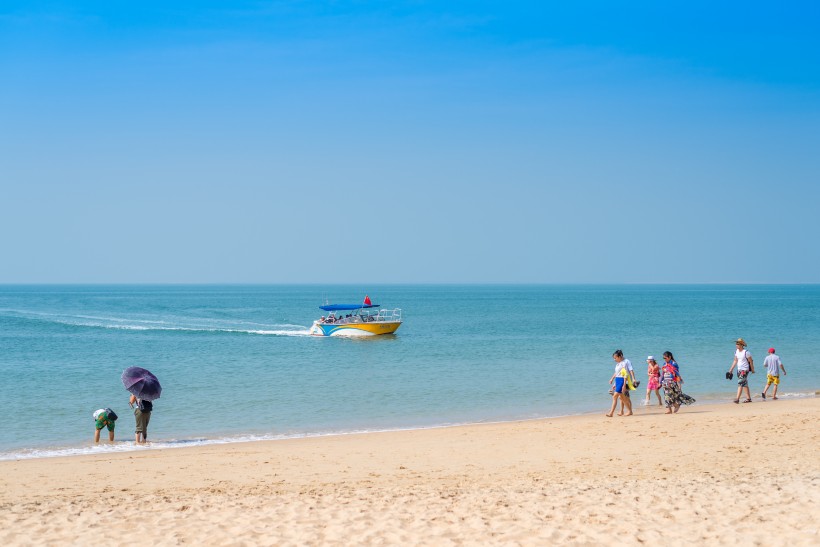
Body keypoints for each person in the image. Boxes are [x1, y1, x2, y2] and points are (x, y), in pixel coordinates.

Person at [607, 350, 635, 417]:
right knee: (622, 397)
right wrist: (613, 380)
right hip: (618, 380)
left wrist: (633, 379)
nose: (614, 359)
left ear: (620, 356)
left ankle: (611, 413)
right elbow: (617, 373)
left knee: (617, 396)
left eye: (615, 358)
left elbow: (629, 371)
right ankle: (628, 411)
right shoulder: (618, 364)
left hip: (625, 381)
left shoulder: (626, 362)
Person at [728, 338, 754, 403]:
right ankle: (748, 399)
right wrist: (730, 370)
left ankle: (737, 399)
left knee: (740, 383)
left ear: (742, 345)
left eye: (738, 344)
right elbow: (735, 360)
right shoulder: (736, 351)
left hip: (744, 370)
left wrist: (752, 369)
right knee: (744, 384)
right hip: (739, 370)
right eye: (736, 344)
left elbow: (751, 361)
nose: (736, 345)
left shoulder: (746, 352)